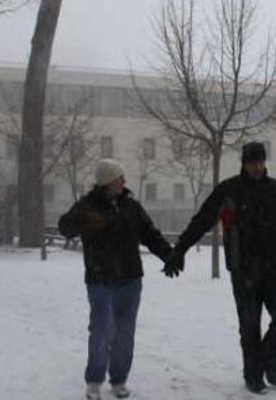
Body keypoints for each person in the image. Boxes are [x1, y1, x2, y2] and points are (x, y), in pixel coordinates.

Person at [163, 141, 276, 393]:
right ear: (244, 163)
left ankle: (267, 362)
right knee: (250, 325)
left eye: (261, 162)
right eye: (253, 162)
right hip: (244, 270)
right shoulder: (229, 191)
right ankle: (253, 375)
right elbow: (202, 220)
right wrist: (180, 249)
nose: (257, 167)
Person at [58, 159, 174, 400]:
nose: (123, 181)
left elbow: (150, 234)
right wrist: (83, 220)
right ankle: (94, 381)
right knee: (101, 329)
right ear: (107, 181)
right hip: (100, 280)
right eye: (119, 177)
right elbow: (65, 227)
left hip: (130, 280)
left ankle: (119, 379)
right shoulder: (88, 206)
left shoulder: (131, 207)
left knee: (125, 332)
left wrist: (169, 256)